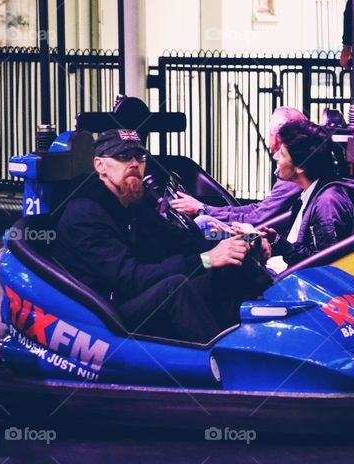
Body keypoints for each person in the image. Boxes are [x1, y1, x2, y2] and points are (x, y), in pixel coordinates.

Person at [53, 129, 273, 343]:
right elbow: (130, 279)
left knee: (226, 265)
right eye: (122, 157)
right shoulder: (85, 214)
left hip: (134, 295)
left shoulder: (133, 202)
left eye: (139, 156)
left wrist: (244, 243)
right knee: (175, 288)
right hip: (103, 314)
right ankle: (222, 364)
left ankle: (262, 338)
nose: (133, 164)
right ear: (100, 165)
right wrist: (206, 259)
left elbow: (183, 241)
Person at [254, 120, 354, 273]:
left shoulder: (328, 203)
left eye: (282, 153)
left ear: (301, 167)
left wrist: (281, 244)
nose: (276, 156)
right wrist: (271, 240)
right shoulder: (311, 192)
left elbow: (323, 268)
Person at [169, 107, 306, 227]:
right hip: (262, 233)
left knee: (203, 227)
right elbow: (259, 209)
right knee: (205, 224)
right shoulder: (294, 174)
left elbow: (256, 219)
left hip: (261, 239)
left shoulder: (292, 177)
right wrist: (204, 208)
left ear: (277, 138)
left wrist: (202, 209)